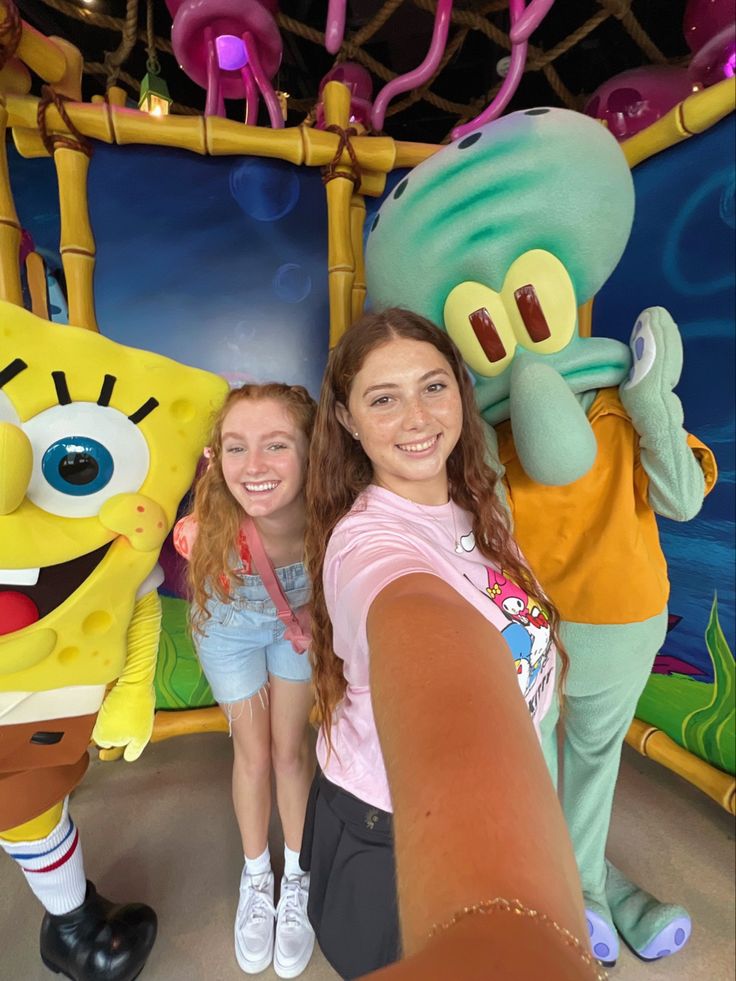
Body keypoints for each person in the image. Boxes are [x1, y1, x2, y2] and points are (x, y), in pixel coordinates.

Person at [301, 308, 602, 981]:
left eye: (433, 387)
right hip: (386, 834)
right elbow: (422, 631)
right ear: (347, 419)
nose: (418, 417)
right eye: (384, 398)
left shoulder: (473, 505)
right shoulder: (367, 544)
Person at [174, 383, 317, 978]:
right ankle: (257, 877)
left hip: (302, 617)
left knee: (290, 750)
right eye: (236, 447)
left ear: (312, 451)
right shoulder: (211, 514)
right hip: (227, 619)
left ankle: (298, 876)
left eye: (276, 445)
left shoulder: (336, 507)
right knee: (252, 754)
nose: (252, 467)